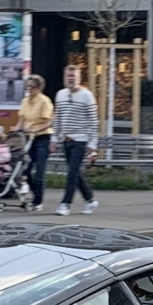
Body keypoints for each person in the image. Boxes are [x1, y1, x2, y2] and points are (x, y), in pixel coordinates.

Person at [52, 62, 101, 215]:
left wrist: (93, 143)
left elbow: (93, 120)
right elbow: (57, 118)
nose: (71, 79)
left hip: (81, 138)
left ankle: (66, 204)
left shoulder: (87, 95)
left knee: (72, 172)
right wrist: (54, 138)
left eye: (73, 76)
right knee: (75, 173)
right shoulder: (60, 94)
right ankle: (90, 200)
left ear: (79, 78)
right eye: (68, 76)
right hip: (66, 139)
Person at [14, 73, 56, 208]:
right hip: (28, 139)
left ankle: (39, 201)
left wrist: (36, 130)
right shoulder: (25, 101)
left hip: (42, 137)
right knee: (26, 170)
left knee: (39, 171)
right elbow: (21, 121)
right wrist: (14, 129)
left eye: (32, 87)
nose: (29, 90)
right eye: (27, 87)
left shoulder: (44, 101)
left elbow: (49, 122)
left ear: (39, 88)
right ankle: (34, 195)